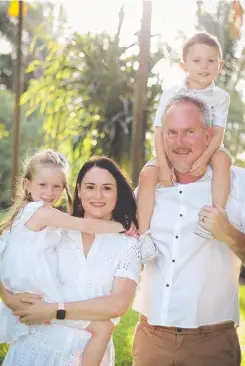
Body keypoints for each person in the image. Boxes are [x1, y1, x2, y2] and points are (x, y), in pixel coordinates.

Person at [132, 95, 245, 366]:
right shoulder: (147, 189)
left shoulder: (238, 184)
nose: (179, 142)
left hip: (212, 343)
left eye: (189, 132)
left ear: (208, 136)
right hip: (151, 340)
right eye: (172, 133)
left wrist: (227, 232)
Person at [0, 156, 141, 366]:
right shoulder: (56, 231)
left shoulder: (128, 244)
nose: (98, 195)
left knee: (102, 329)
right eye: (90, 187)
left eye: (107, 188)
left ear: (118, 193)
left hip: (87, 353)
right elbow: (9, 252)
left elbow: (118, 304)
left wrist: (54, 310)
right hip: (36, 348)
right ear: (78, 190)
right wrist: (8, 297)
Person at [137, 31, 231, 241]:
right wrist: (162, 164)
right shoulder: (172, 92)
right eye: (197, 61)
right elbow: (160, 129)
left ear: (220, 66)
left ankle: (214, 215)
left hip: (210, 148)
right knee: (147, 174)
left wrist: (205, 157)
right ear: (184, 66)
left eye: (211, 61)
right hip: (172, 149)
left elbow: (217, 132)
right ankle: (143, 236)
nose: (204, 66)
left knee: (224, 159)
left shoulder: (220, 97)